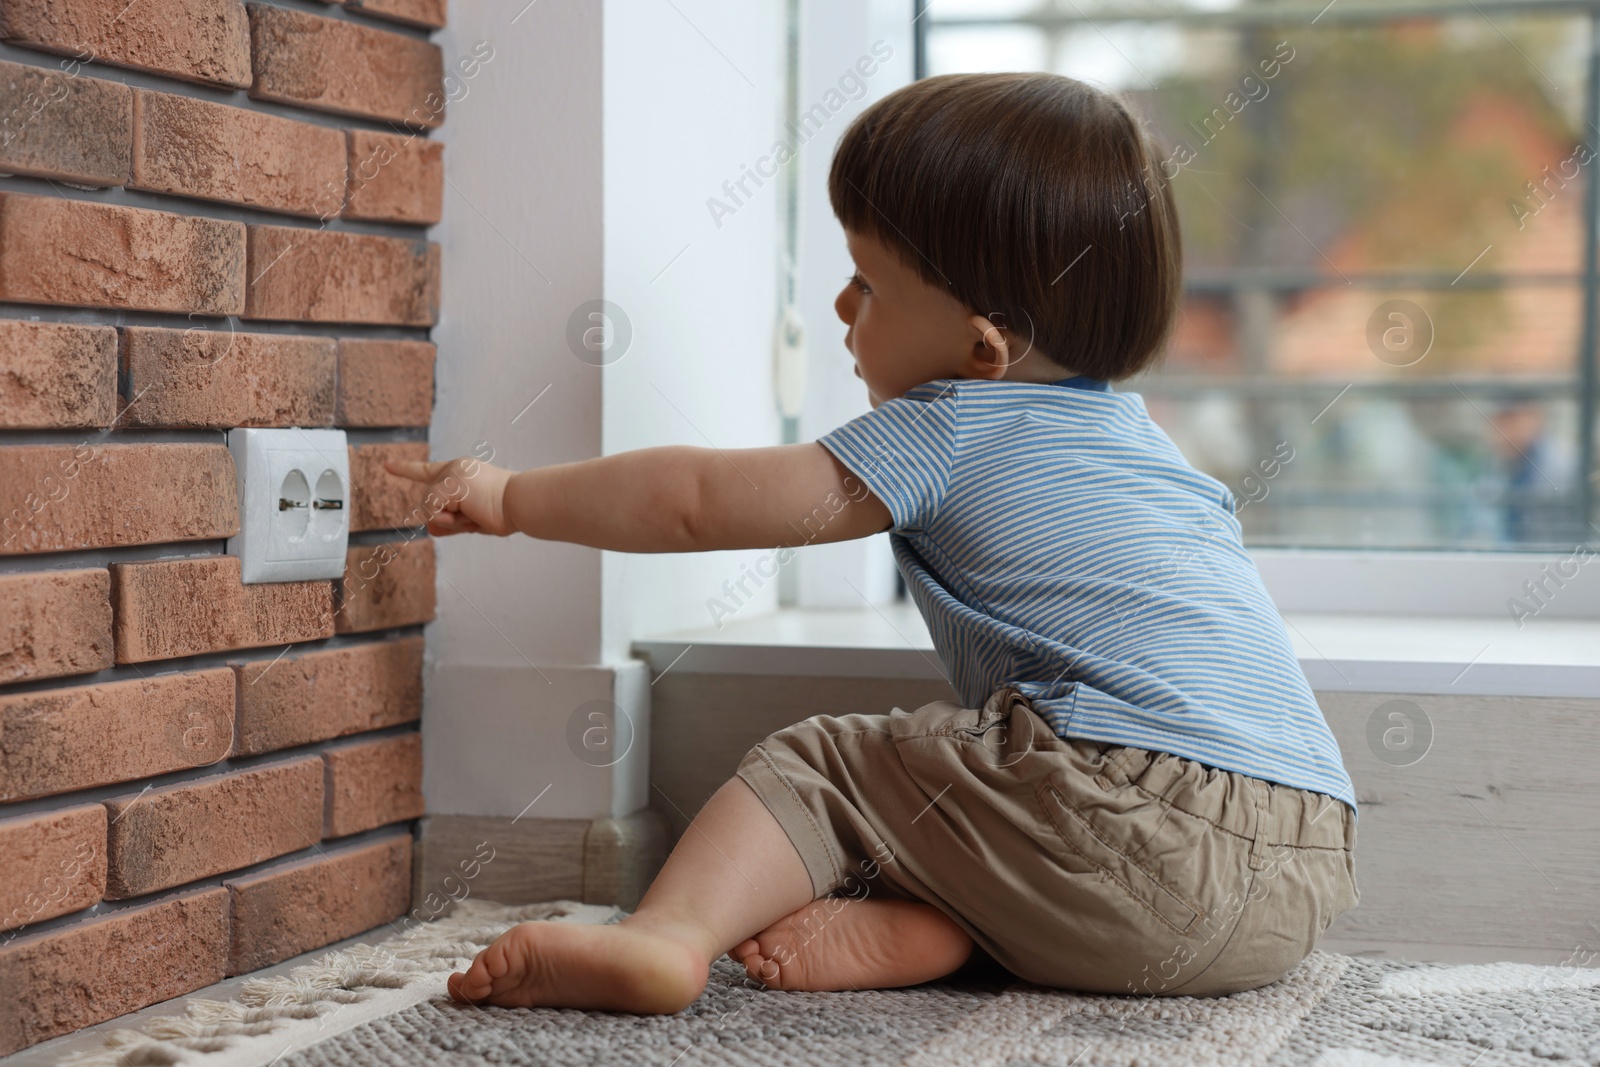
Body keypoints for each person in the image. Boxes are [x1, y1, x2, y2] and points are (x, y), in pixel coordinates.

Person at [389, 71, 1360, 1015]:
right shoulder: (1144, 450)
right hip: (1301, 871)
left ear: (984, 349)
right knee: (965, 793)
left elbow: (694, 501)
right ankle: (951, 923)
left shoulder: (952, 420)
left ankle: (662, 940)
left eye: (867, 283)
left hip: (1128, 833)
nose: (844, 311)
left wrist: (512, 493)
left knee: (829, 765)